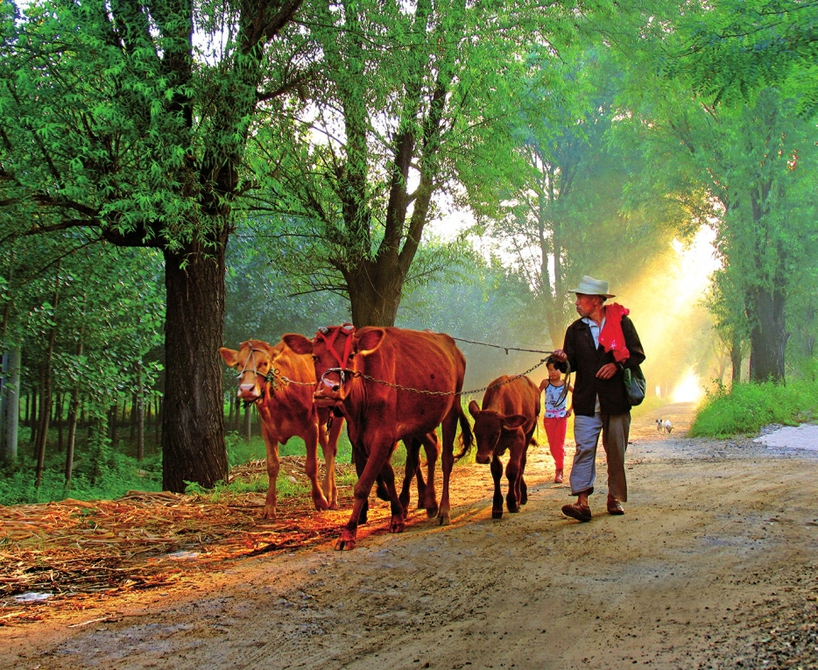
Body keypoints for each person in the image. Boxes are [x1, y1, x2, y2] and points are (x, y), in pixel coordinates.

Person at [551, 275, 645, 522]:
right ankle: (582, 502)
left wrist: (616, 365)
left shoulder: (622, 323)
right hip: (586, 400)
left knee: (616, 451)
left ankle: (614, 497)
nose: (576, 302)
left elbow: (637, 354)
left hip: (616, 400)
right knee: (584, 449)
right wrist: (562, 360)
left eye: (580, 298)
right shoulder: (575, 330)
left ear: (595, 300)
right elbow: (570, 366)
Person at [539, 357, 573, 484]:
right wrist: (536, 410)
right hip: (549, 418)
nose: (552, 372)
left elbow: (577, 394)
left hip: (561, 418)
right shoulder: (545, 383)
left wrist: (570, 409)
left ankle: (559, 470)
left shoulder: (565, 384)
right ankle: (559, 457)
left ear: (561, 370)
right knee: (552, 445)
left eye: (555, 369)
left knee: (559, 444)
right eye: (550, 370)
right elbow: (536, 394)